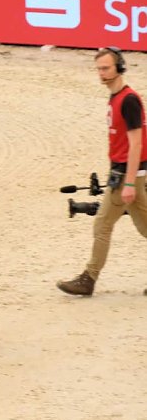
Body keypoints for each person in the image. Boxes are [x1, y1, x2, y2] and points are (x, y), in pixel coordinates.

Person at [57, 48, 147, 297]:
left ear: (120, 67)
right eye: (99, 69)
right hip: (125, 174)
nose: (102, 73)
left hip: (128, 176)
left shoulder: (128, 100)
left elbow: (137, 144)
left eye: (106, 68)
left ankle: (89, 278)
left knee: (102, 225)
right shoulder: (116, 98)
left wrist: (128, 183)